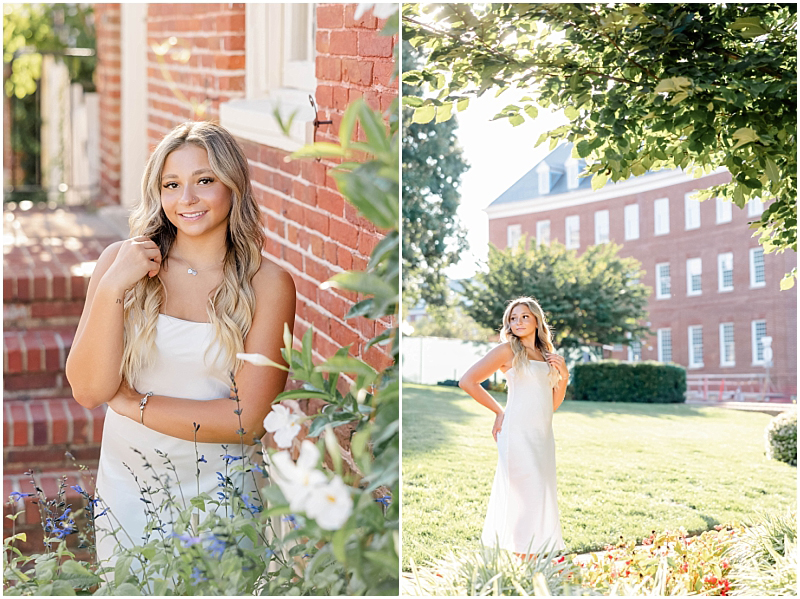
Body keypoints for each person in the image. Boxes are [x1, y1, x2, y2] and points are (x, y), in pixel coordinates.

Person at [65, 121, 296, 566]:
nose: (186, 199)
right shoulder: (119, 263)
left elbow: (247, 420)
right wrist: (114, 287)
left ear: (233, 186)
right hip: (130, 487)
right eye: (172, 184)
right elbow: (89, 391)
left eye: (204, 181)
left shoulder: (268, 285)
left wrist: (134, 404)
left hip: (223, 493)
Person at [459, 297, 568, 558]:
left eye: (524, 317)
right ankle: (524, 561)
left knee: (539, 493)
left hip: (542, 437)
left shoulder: (547, 355)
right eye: (512, 317)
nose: (517, 322)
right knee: (525, 499)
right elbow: (468, 381)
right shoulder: (507, 350)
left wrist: (563, 375)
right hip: (516, 434)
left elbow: (551, 404)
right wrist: (499, 411)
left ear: (537, 320)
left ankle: (531, 556)